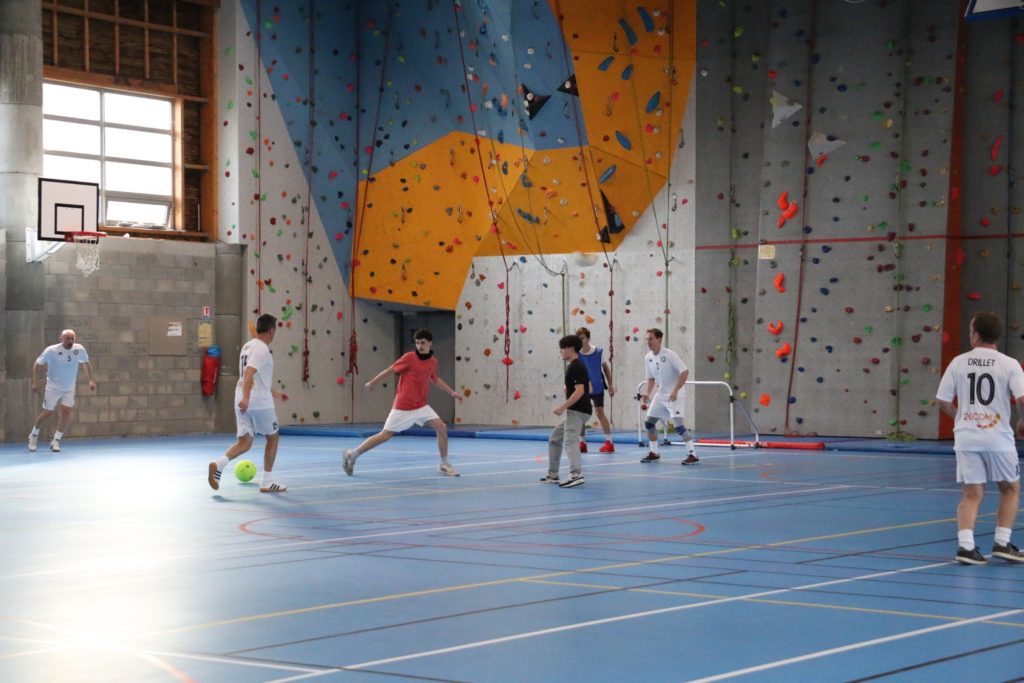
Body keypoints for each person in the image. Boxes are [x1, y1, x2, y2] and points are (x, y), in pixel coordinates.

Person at [936, 311, 1024, 564]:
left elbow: (942, 400)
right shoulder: (1009, 364)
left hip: (967, 437)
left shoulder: (958, 362)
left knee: (971, 493)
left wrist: (960, 418)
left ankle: (966, 548)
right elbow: (1021, 399)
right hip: (998, 437)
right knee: (1010, 489)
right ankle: (1002, 543)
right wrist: (1022, 420)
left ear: (975, 335)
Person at [343, 328, 463, 476]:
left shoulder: (433, 362)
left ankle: (444, 464)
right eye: (417, 343)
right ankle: (352, 455)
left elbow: (434, 379)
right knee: (385, 436)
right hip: (403, 406)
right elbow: (389, 370)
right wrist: (373, 382)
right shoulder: (409, 357)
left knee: (442, 427)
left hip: (421, 405)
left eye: (423, 343)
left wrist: (452, 392)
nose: (420, 346)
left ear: (430, 343)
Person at [207, 313, 289, 493]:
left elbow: (258, 378)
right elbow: (249, 374)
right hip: (256, 401)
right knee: (273, 437)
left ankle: (218, 464)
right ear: (271, 331)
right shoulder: (262, 350)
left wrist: (275, 393)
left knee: (245, 442)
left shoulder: (247, 346)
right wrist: (247, 397)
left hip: (242, 398)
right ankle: (267, 481)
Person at [29, 329, 96, 452]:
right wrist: (36, 381)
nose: (70, 341)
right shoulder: (51, 351)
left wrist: (91, 380)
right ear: (61, 339)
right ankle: (33, 435)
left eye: (72, 339)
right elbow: (37, 365)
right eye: (68, 338)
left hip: (69, 386)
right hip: (53, 386)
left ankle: (56, 440)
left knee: (66, 411)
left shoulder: (79, 349)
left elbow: (86, 363)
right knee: (48, 412)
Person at [639, 328, 698, 465]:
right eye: (647, 339)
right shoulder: (648, 358)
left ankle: (693, 454)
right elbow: (651, 379)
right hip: (661, 395)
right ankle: (654, 453)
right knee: (649, 423)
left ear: (659, 340)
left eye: (651, 339)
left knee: (678, 426)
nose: (648, 342)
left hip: (675, 395)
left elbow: (684, 372)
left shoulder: (670, 354)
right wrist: (647, 392)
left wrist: (676, 390)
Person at [540, 335, 591, 488]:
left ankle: (576, 474)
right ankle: (553, 474)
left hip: (577, 411)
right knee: (555, 438)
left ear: (571, 349)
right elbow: (589, 387)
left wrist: (563, 406)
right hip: (578, 411)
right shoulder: (576, 366)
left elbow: (580, 390)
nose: (561, 351)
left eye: (563, 348)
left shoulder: (576, 366)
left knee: (570, 440)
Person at [575, 326, 615, 453]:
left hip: (597, 386)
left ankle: (609, 442)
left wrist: (610, 385)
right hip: (582, 388)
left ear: (588, 339)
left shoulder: (598, 352)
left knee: (599, 413)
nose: (580, 341)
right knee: (581, 415)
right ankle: (582, 443)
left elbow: (606, 369)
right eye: (578, 338)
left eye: (582, 338)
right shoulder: (576, 354)